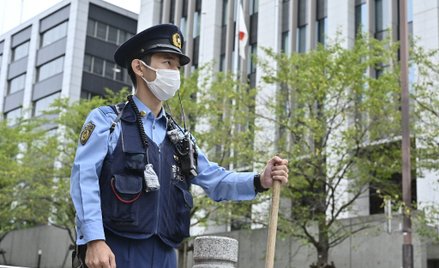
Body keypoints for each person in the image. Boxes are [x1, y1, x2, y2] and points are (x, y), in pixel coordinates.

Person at [70, 24, 289, 268]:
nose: (175, 72)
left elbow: (215, 180)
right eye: (167, 63)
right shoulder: (107, 121)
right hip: (114, 250)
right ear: (139, 67)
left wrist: (260, 180)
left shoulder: (181, 138)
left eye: (177, 66)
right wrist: (94, 240)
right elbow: (84, 180)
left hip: (166, 255)